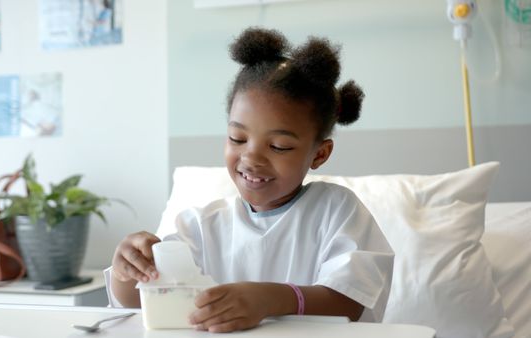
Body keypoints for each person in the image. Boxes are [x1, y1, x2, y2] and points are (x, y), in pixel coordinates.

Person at [110, 27, 394, 333]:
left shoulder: (337, 210)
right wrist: (125, 270)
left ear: (319, 154)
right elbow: (139, 300)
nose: (251, 159)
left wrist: (271, 299)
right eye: (238, 138)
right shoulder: (201, 227)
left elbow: (349, 302)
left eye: (278, 146)